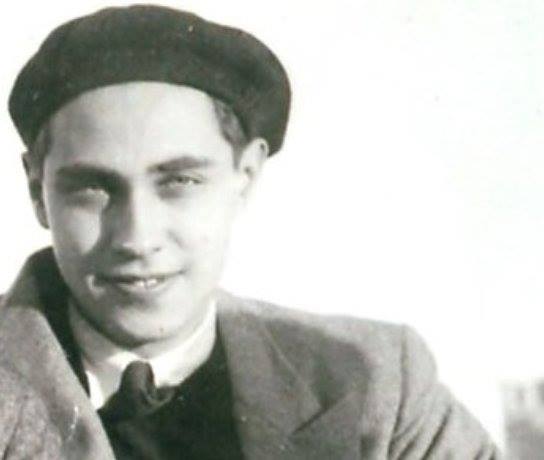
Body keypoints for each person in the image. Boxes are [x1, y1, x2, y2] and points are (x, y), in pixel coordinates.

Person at [0, 4, 499, 459]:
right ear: (37, 190)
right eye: (92, 188)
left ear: (245, 176)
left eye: (179, 182)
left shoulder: (378, 385)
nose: (137, 238)